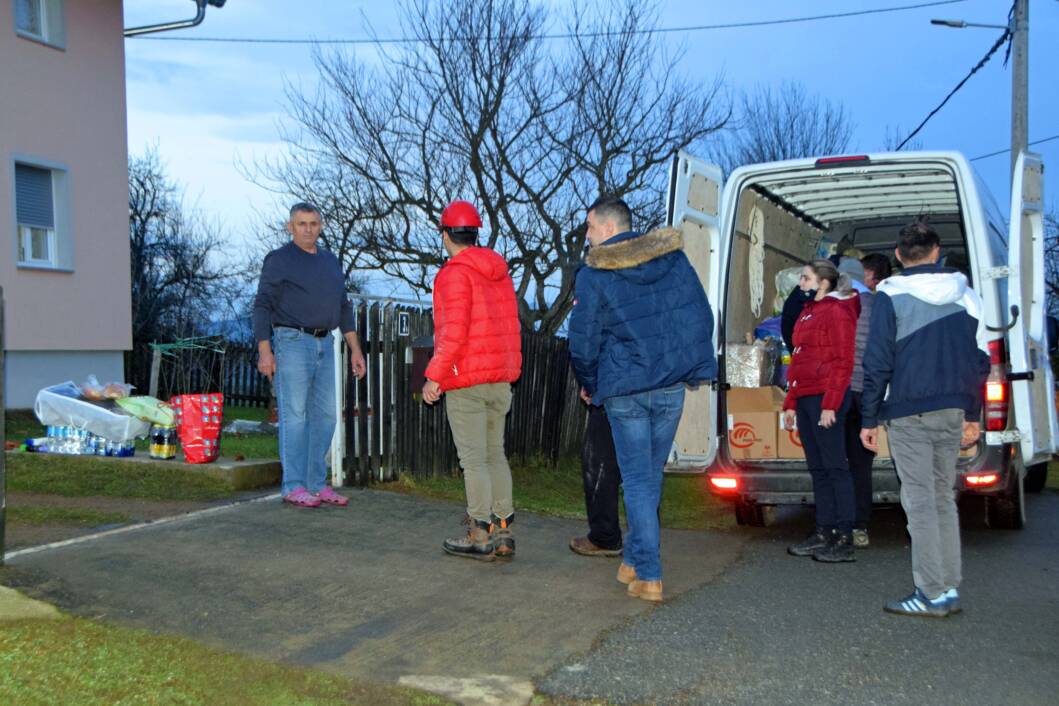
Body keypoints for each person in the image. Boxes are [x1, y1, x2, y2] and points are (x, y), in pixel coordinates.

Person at [569, 195, 716, 602]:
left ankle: (650, 574)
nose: (587, 236)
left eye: (590, 227)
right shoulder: (672, 261)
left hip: (625, 389)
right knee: (648, 479)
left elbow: (583, 341)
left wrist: (589, 380)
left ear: (610, 228)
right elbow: (702, 316)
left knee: (636, 481)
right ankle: (633, 560)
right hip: (669, 387)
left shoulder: (595, 273)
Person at [860, 220, 989, 617]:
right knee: (941, 498)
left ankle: (929, 593)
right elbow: (980, 360)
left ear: (899, 256)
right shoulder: (966, 296)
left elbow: (878, 362)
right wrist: (972, 413)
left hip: (908, 412)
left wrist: (868, 418)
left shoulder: (890, 296)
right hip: (952, 410)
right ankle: (947, 588)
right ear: (937, 253)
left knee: (919, 504)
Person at [422, 200, 522, 562]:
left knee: (473, 461)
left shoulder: (454, 274)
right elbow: (510, 330)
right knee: (495, 453)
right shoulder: (499, 272)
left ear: (445, 233)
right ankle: (504, 531)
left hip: (466, 380)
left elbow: (453, 333)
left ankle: (480, 533)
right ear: (475, 233)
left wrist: (435, 376)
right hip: (500, 381)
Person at [254, 203, 367, 508]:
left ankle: (317, 485)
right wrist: (265, 351)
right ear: (290, 227)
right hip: (291, 341)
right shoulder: (279, 260)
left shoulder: (330, 262)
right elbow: (262, 304)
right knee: (295, 416)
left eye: (313, 223)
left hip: (324, 343)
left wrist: (355, 349)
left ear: (321, 225)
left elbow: (343, 307)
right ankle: (293, 486)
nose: (308, 229)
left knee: (327, 416)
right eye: (301, 223)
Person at [783, 259, 860, 562]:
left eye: (805, 278)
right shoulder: (808, 312)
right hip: (806, 397)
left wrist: (830, 404)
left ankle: (845, 536)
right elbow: (799, 362)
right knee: (818, 468)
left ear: (823, 283)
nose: (800, 284)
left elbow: (844, 361)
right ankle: (824, 530)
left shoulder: (838, 311)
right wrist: (791, 403)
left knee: (835, 467)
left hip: (825, 398)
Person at [844, 253, 893, 547]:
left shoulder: (837, 305)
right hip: (868, 392)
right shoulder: (880, 306)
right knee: (861, 463)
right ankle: (860, 525)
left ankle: (839, 522)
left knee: (839, 462)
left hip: (840, 391)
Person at [569, 405, 624, 557]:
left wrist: (590, 386)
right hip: (661, 393)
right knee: (645, 473)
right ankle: (645, 548)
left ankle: (605, 536)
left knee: (599, 462)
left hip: (616, 394)